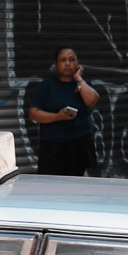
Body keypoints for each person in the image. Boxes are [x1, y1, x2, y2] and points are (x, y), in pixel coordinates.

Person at [26, 44, 99, 174]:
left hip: (80, 144)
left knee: (77, 182)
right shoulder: (46, 86)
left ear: (77, 63)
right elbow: (33, 113)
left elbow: (92, 101)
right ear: (56, 64)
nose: (67, 64)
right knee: (51, 183)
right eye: (63, 60)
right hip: (53, 146)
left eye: (72, 60)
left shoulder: (82, 84)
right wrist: (57, 117)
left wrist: (78, 79)